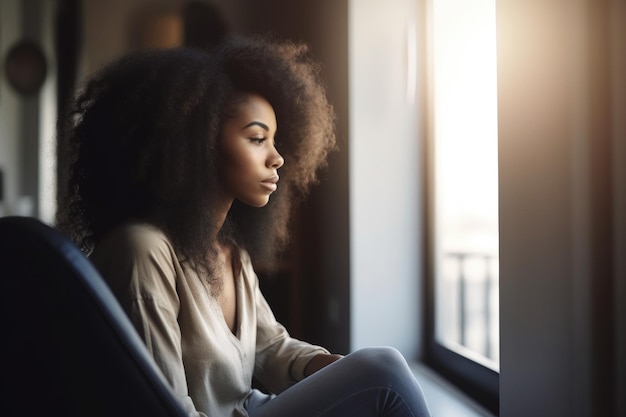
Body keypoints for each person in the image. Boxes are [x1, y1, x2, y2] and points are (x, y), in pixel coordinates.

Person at [56, 35, 432, 417]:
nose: (278, 158)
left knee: (375, 379)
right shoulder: (141, 250)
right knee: (384, 371)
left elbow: (271, 350)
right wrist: (366, 377)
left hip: (253, 408)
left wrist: (338, 373)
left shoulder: (230, 254)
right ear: (198, 141)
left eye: (275, 140)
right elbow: (161, 408)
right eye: (256, 138)